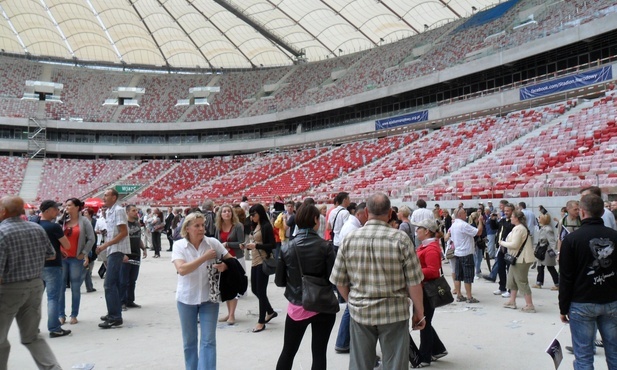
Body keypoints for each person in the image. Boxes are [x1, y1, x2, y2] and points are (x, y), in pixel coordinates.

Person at [330, 192, 425, 370]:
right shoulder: (401, 239)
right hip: (394, 313)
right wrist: (419, 312)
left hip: (361, 313)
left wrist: (352, 300)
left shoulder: (350, 239)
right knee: (395, 364)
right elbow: (414, 282)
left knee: (360, 364)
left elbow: (339, 281)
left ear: (366, 212)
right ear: (390, 213)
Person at [0, 196, 62, 369]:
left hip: (10, 289)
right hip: (35, 285)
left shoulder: (2, 232)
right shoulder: (36, 228)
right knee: (32, 336)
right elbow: (51, 254)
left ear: (4, 211)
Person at [274, 204, 336, 370]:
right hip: (323, 304)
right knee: (319, 353)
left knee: (288, 352)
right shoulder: (326, 247)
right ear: (316, 220)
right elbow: (333, 279)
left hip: (298, 305)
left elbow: (279, 281)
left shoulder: (287, 247)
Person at [559, 194, 617, 370]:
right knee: (614, 353)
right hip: (610, 300)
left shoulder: (572, 239)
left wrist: (563, 307)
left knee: (584, 357)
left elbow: (566, 277)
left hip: (582, 302)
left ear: (582, 212)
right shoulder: (614, 236)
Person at [172, 212, 233, 370]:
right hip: (186, 298)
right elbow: (182, 269)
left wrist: (225, 266)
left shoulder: (212, 243)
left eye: (203, 225)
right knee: (189, 342)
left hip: (209, 299)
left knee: (208, 341)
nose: (201, 229)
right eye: (197, 226)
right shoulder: (179, 246)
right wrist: (204, 258)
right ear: (187, 228)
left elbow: (231, 261)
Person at [409, 218, 448, 368]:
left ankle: (425, 357)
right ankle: (438, 349)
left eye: (419, 229)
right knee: (425, 322)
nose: (416, 231)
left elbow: (433, 271)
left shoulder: (431, 248)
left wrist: (414, 272)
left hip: (426, 289)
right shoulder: (426, 246)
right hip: (422, 288)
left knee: (423, 322)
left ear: (426, 231)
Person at [334, 202, 368, 354]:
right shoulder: (352, 228)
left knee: (350, 307)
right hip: (352, 272)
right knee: (350, 307)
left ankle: (343, 341)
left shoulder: (352, 226)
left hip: (350, 271)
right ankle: (343, 341)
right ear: (360, 214)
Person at [36, 200, 72, 338]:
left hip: (37, 265)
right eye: (55, 209)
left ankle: (32, 327)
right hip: (52, 266)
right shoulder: (54, 227)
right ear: (48, 210)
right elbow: (67, 245)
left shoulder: (34, 224)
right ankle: (54, 328)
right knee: (52, 298)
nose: (58, 212)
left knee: (36, 299)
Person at [96, 188, 130, 329]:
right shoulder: (110, 211)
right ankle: (113, 312)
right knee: (112, 284)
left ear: (114, 197)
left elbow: (123, 232)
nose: (104, 197)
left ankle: (115, 317)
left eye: (106, 195)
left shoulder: (118, 210)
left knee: (109, 284)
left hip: (116, 249)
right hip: (112, 250)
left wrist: (105, 245)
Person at [58, 198, 95, 325]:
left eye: (69, 205)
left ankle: (74, 314)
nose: (66, 207)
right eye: (65, 205)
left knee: (75, 287)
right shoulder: (62, 220)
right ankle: (61, 314)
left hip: (76, 258)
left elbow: (91, 239)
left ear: (77, 207)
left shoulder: (84, 221)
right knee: (60, 287)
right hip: (62, 258)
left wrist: (84, 253)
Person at [245, 203, 278, 332]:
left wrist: (256, 246)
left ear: (260, 214)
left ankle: (261, 321)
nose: (252, 217)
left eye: (254, 214)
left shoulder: (266, 226)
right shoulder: (256, 225)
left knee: (261, 290)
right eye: (251, 214)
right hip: (255, 260)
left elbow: (272, 245)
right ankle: (269, 311)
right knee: (255, 289)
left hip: (263, 260)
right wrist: (247, 245)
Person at [214, 204, 245, 325]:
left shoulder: (238, 226)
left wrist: (227, 244)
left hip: (235, 258)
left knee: (234, 285)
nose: (227, 213)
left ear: (232, 213)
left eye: (229, 211)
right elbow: (217, 243)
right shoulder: (218, 226)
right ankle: (229, 313)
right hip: (224, 259)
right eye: (224, 211)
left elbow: (241, 243)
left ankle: (232, 314)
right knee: (226, 286)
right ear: (220, 214)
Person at [500, 210, 535, 313]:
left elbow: (515, 244)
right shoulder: (518, 228)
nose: (510, 218)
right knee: (512, 279)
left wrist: (502, 243)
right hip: (517, 258)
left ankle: (530, 305)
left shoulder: (519, 229)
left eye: (512, 216)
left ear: (517, 218)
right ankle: (512, 300)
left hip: (521, 259)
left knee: (521, 281)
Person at [449, 208, 483, 303]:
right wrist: (480, 221)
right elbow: (478, 232)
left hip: (458, 252)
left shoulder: (454, 224)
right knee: (468, 276)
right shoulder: (463, 225)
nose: (466, 214)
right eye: (464, 213)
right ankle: (469, 297)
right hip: (466, 253)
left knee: (458, 276)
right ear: (460, 215)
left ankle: (459, 295)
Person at [121, 205, 147, 310]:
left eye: (136, 210)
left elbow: (138, 237)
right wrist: (122, 254)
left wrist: (143, 248)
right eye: (133, 210)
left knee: (132, 279)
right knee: (123, 280)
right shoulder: (123, 224)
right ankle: (122, 301)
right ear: (127, 212)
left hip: (136, 254)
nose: (136, 212)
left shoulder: (137, 223)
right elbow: (120, 240)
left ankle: (130, 300)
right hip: (126, 255)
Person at [533, 213, 559, 290]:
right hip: (541, 250)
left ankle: (558, 284)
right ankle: (539, 283)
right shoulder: (543, 228)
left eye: (539, 217)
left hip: (547, 251)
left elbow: (552, 241)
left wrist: (556, 252)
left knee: (550, 267)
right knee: (540, 267)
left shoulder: (548, 229)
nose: (538, 218)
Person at [81, 208, 98, 292]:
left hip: (90, 246)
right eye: (84, 212)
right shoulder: (81, 222)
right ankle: (87, 286)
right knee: (85, 268)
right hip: (84, 247)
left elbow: (93, 237)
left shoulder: (94, 222)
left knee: (87, 268)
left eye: (86, 212)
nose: (84, 214)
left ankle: (89, 286)